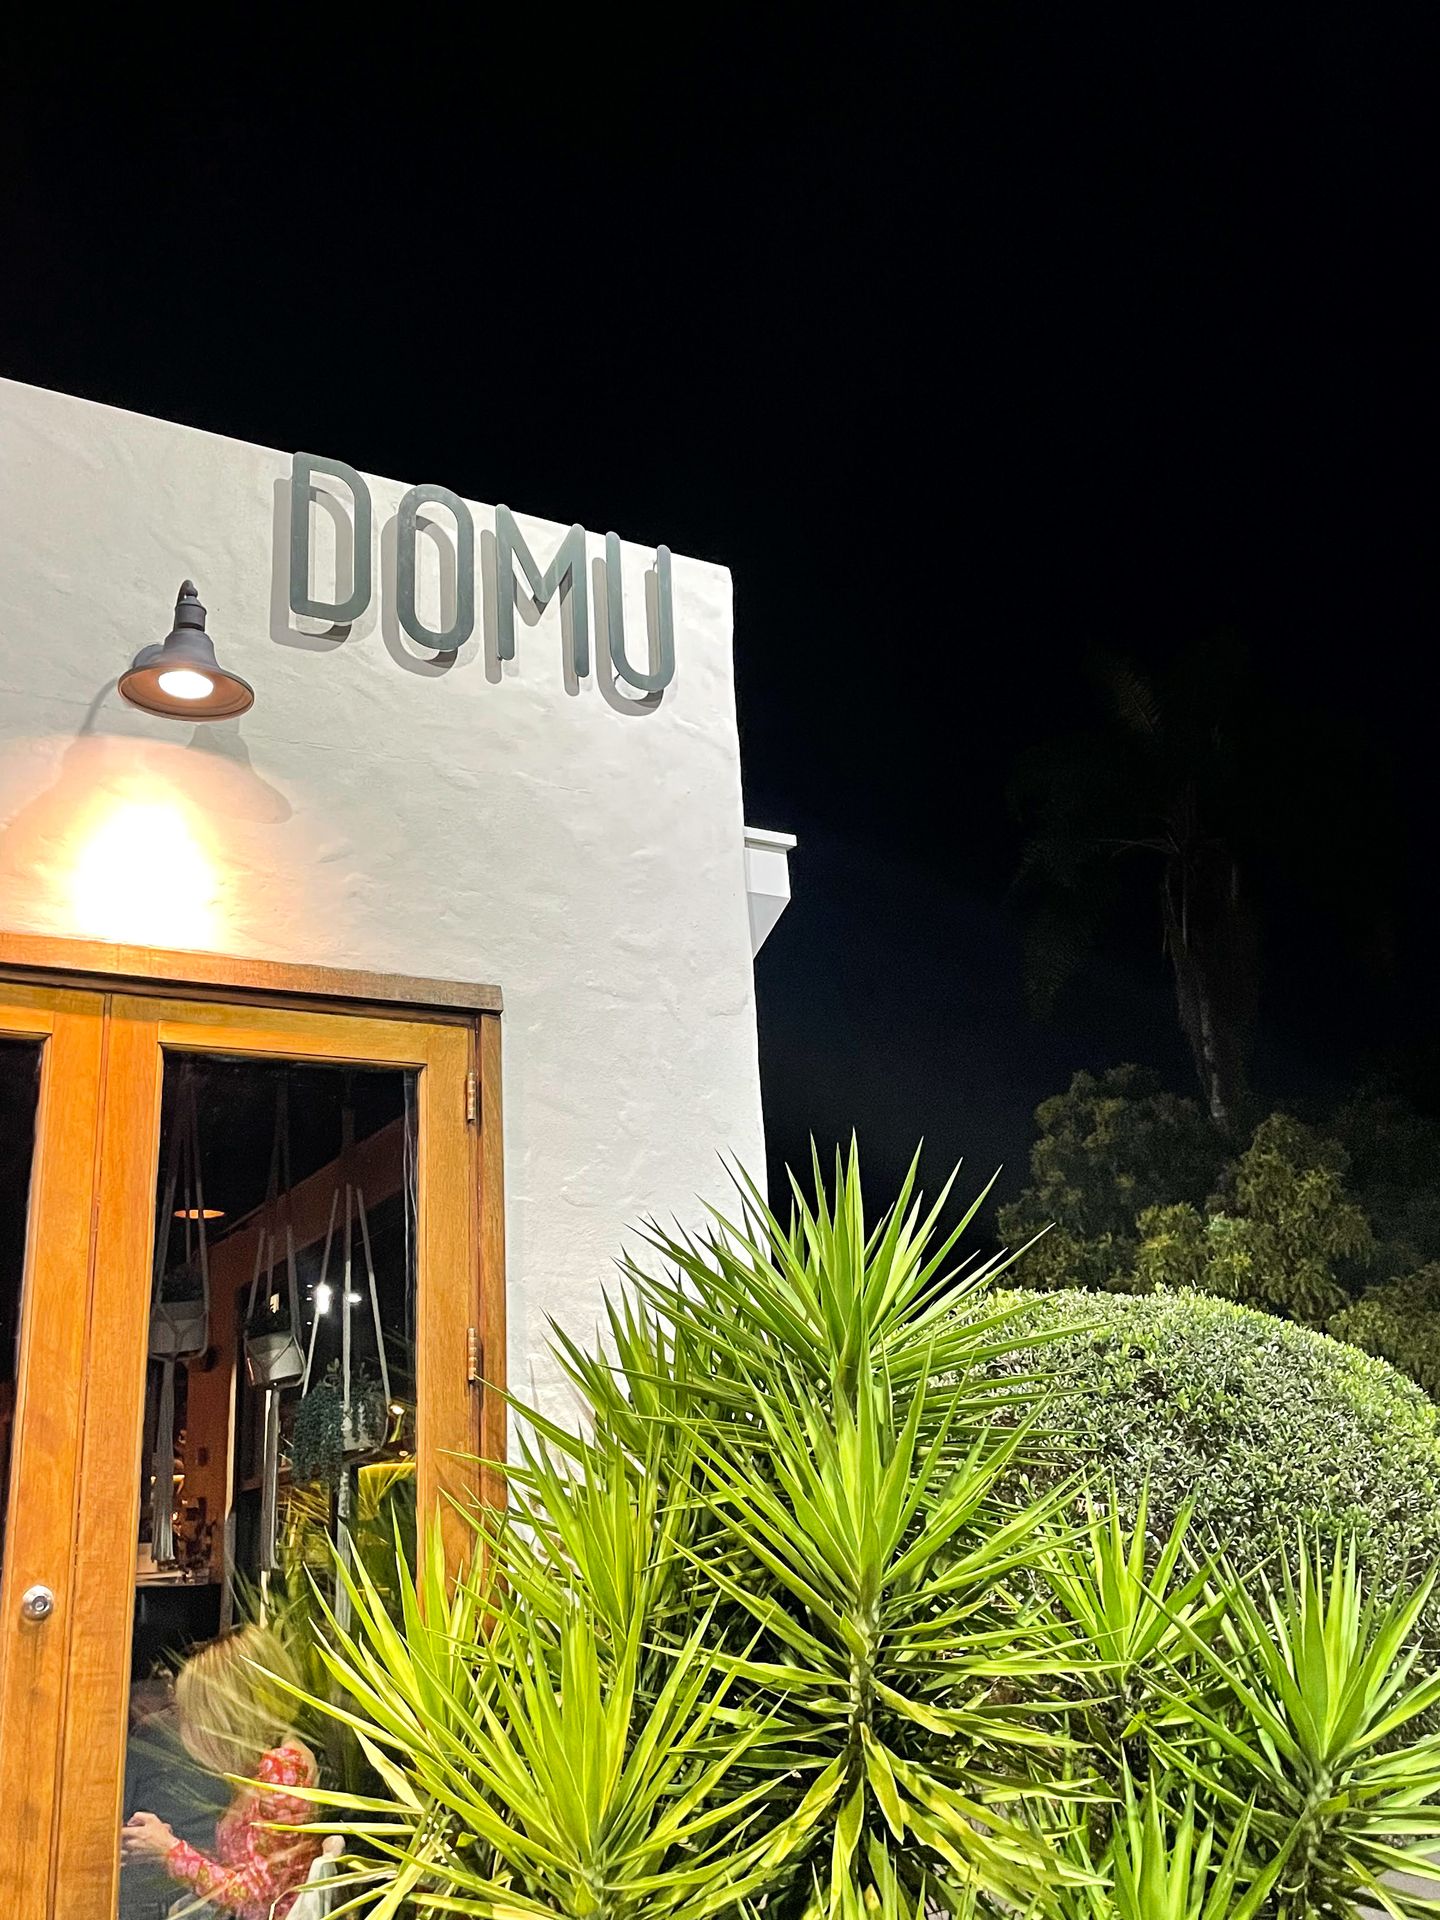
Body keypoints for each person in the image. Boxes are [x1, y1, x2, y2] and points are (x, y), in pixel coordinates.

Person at [121, 1625, 324, 1920]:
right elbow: (252, 1872)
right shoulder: (264, 1767)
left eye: (191, 1715)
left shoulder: (284, 1768)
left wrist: (171, 1851)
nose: (186, 1729)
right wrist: (162, 1844)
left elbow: (256, 1900)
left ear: (225, 1714)